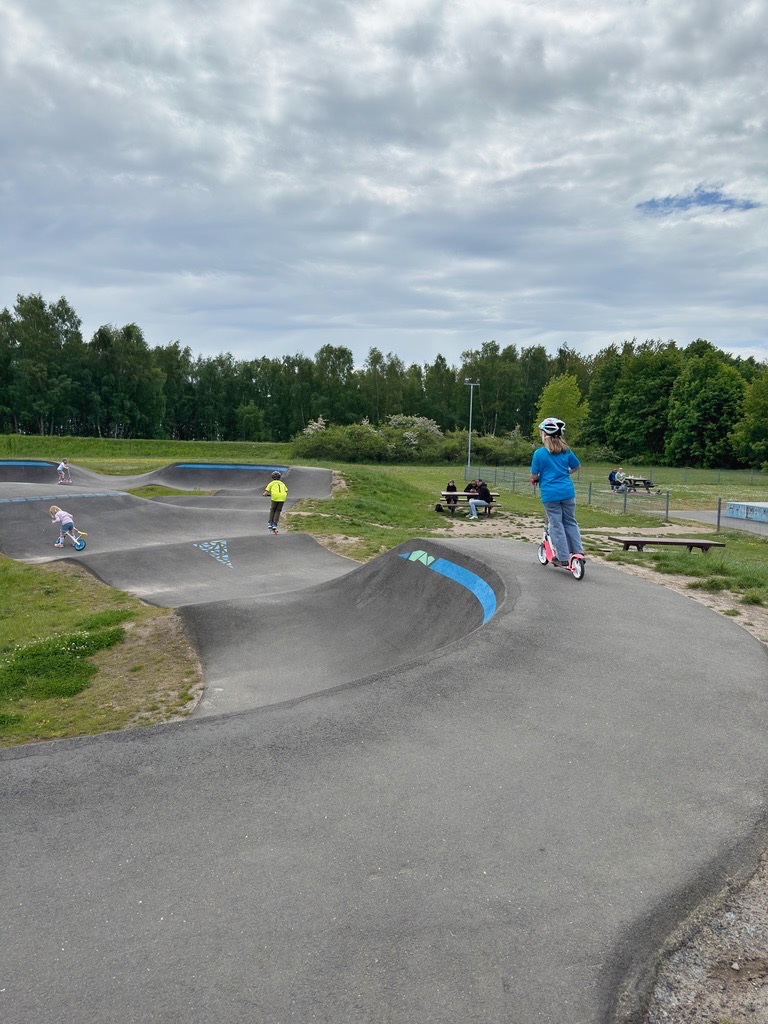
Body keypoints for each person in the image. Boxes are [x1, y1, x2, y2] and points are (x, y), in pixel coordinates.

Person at [529, 417, 584, 566]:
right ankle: (578, 552)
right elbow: (577, 466)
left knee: (556, 524)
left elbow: (534, 475)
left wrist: (538, 478)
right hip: (567, 492)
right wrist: (565, 472)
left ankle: (563, 556)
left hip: (550, 494)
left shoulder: (539, 454)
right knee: (570, 521)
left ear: (545, 434)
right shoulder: (566, 451)